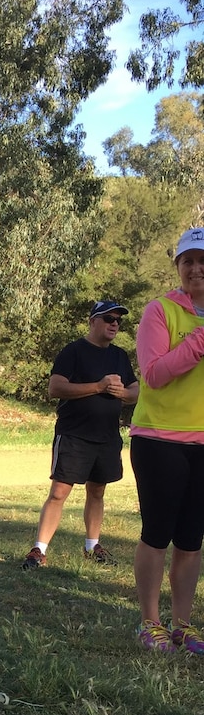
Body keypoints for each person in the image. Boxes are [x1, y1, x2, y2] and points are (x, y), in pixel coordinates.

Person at [129, 227, 204, 653]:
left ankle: (183, 624)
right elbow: (154, 375)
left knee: (192, 538)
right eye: (188, 261)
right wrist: (199, 340)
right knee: (158, 532)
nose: (196, 269)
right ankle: (150, 623)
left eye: (203, 262)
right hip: (159, 438)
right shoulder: (160, 311)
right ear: (177, 266)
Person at [21, 300, 139, 570]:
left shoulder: (119, 356)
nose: (114, 324)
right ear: (92, 321)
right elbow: (56, 388)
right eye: (109, 318)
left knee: (97, 492)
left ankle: (92, 546)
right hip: (75, 434)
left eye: (119, 321)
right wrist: (98, 386)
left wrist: (124, 394)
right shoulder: (73, 351)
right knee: (59, 492)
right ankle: (38, 550)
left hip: (107, 436)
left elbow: (135, 391)